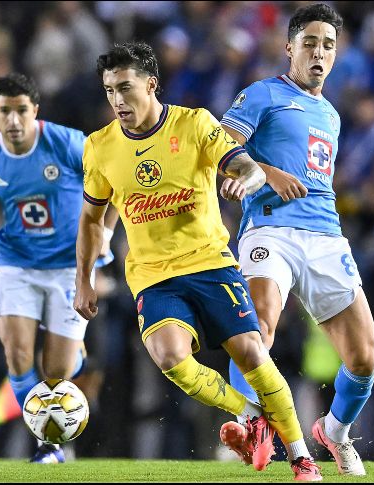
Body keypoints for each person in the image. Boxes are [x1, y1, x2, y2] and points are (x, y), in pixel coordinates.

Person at [73, 42, 321, 481]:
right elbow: (92, 220)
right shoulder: (99, 147)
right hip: (153, 275)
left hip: (209, 263)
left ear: (151, 85)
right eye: (109, 90)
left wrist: (244, 181)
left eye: (125, 88)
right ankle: (250, 416)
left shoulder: (194, 124)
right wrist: (84, 280)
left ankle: (301, 456)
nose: (117, 100)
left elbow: (249, 167)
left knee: (251, 352)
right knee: (169, 357)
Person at [219, 3, 374, 476]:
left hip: (326, 236)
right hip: (270, 229)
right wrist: (265, 172)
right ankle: (251, 422)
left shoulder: (331, 114)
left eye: (328, 44)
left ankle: (334, 432)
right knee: (258, 325)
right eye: (310, 42)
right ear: (290, 48)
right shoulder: (263, 94)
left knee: (365, 357)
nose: (319, 51)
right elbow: (218, 145)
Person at [0, 73, 117, 464]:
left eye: (21, 110)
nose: (14, 120)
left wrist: (106, 235)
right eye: (5, 111)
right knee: (17, 355)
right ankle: (49, 444)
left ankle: (80, 359)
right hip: (17, 264)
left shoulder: (64, 142)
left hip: (69, 265)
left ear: (35, 111)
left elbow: (113, 182)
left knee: (57, 370)